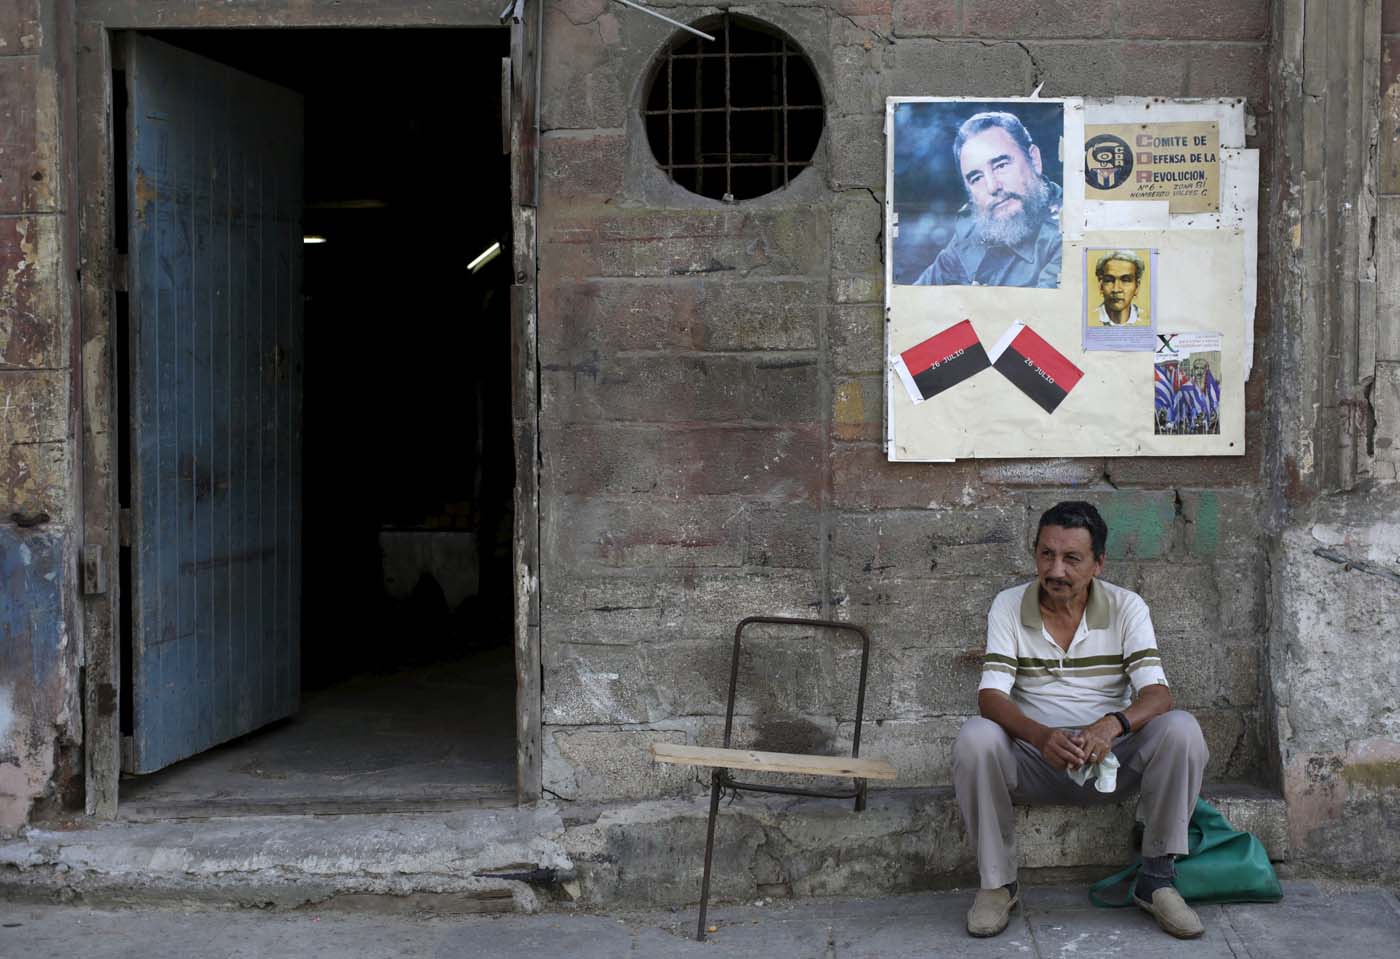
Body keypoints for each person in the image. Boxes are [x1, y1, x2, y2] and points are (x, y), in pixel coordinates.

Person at [952, 501, 1208, 940]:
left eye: (1072, 559)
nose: (1057, 571)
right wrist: (1041, 735)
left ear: (1098, 563)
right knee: (975, 738)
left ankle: (1157, 879)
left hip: (1112, 760)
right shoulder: (1009, 605)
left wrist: (1112, 726)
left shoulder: (1127, 607)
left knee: (1182, 730)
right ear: (1034, 554)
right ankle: (997, 885)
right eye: (1047, 555)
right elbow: (990, 696)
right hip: (1037, 759)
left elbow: (1158, 695)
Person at [913, 112, 1062, 288]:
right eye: (976, 178)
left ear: (1034, 160)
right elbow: (912, 302)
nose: (992, 187)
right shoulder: (972, 230)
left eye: (1001, 165)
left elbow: (1044, 313)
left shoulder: (1069, 232)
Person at [1093, 251, 1146, 326]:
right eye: (1109, 280)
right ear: (1101, 286)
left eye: (1126, 280)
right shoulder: (1089, 320)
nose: (1116, 289)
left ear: (1137, 287)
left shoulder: (1146, 320)